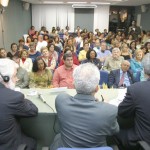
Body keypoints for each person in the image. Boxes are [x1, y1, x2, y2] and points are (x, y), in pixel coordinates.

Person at [51, 63, 119, 150]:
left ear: (74, 85)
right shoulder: (110, 110)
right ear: (97, 88)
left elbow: (65, 96)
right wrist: (104, 105)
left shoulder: (61, 100)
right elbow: (115, 130)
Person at [0, 58, 38, 150]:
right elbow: (33, 110)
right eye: (14, 76)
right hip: (10, 146)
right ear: (6, 79)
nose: (16, 79)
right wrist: (22, 97)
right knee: (32, 141)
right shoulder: (14, 98)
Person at [115, 53, 150, 150]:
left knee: (113, 131)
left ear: (144, 70)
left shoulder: (136, 89)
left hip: (144, 141)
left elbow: (122, 112)